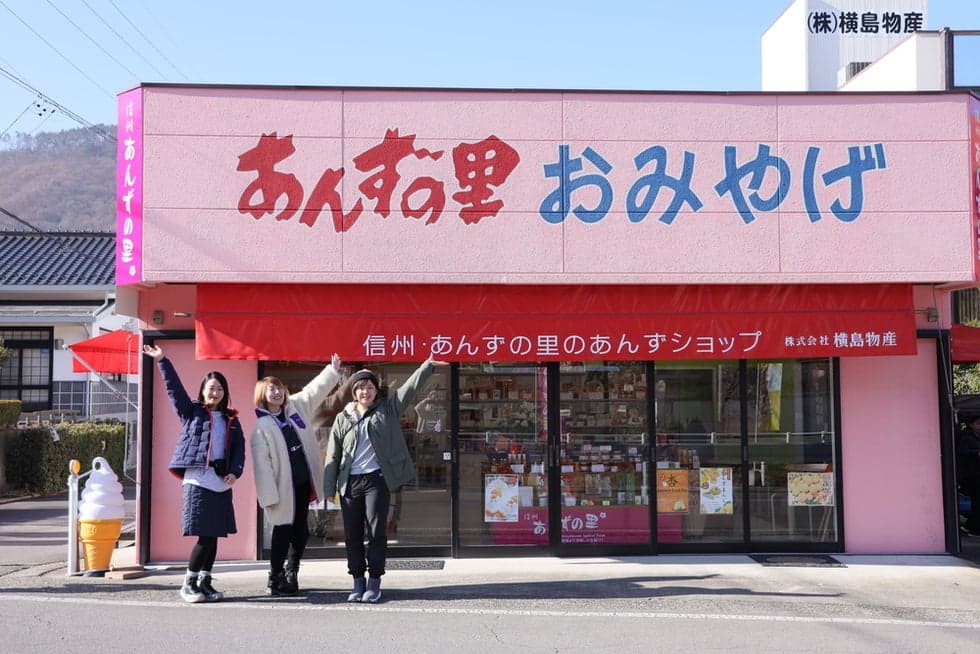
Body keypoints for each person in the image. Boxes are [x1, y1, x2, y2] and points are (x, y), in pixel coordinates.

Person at [323, 355, 446, 603]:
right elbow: (332, 455)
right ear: (354, 392)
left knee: (376, 532)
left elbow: (409, 390)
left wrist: (428, 365)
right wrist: (329, 486)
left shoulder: (387, 410)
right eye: (360, 388)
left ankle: (374, 581)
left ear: (375, 390)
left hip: (376, 481)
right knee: (352, 535)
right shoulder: (342, 418)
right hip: (350, 483)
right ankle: (357, 581)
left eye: (369, 387)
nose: (365, 391)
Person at [143, 344, 245, 604]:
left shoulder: (232, 420)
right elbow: (174, 389)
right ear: (203, 390)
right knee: (205, 536)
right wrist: (162, 360)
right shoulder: (192, 412)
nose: (215, 392)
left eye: (220, 388)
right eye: (211, 388)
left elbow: (239, 450)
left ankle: (204, 582)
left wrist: (235, 472)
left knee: (214, 536)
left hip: (221, 483)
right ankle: (188, 583)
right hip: (198, 481)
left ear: (225, 393)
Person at [251, 353, 342, 596]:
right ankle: (275, 577)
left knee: (301, 532)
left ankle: (292, 571)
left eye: (279, 388)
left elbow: (313, 391)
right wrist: (268, 497)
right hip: (282, 490)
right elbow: (262, 466)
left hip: (302, 484)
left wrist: (332, 371)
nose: (277, 393)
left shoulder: (295, 407)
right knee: (283, 531)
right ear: (262, 395)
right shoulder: (261, 427)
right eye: (271, 390)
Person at [956, 414, 980, 535]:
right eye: (978, 424)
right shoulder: (966, 437)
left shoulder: (976, 438)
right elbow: (962, 451)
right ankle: (973, 526)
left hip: (976, 474)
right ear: (971, 425)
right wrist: (976, 453)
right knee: (976, 501)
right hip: (972, 476)